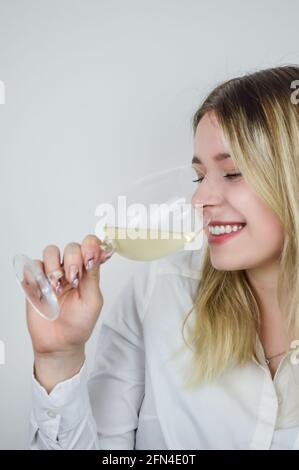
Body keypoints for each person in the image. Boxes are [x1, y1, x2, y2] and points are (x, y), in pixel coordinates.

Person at [28, 65, 299, 450]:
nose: (200, 199)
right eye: (199, 176)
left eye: (233, 172)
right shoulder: (160, 289)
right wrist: (59, 358)